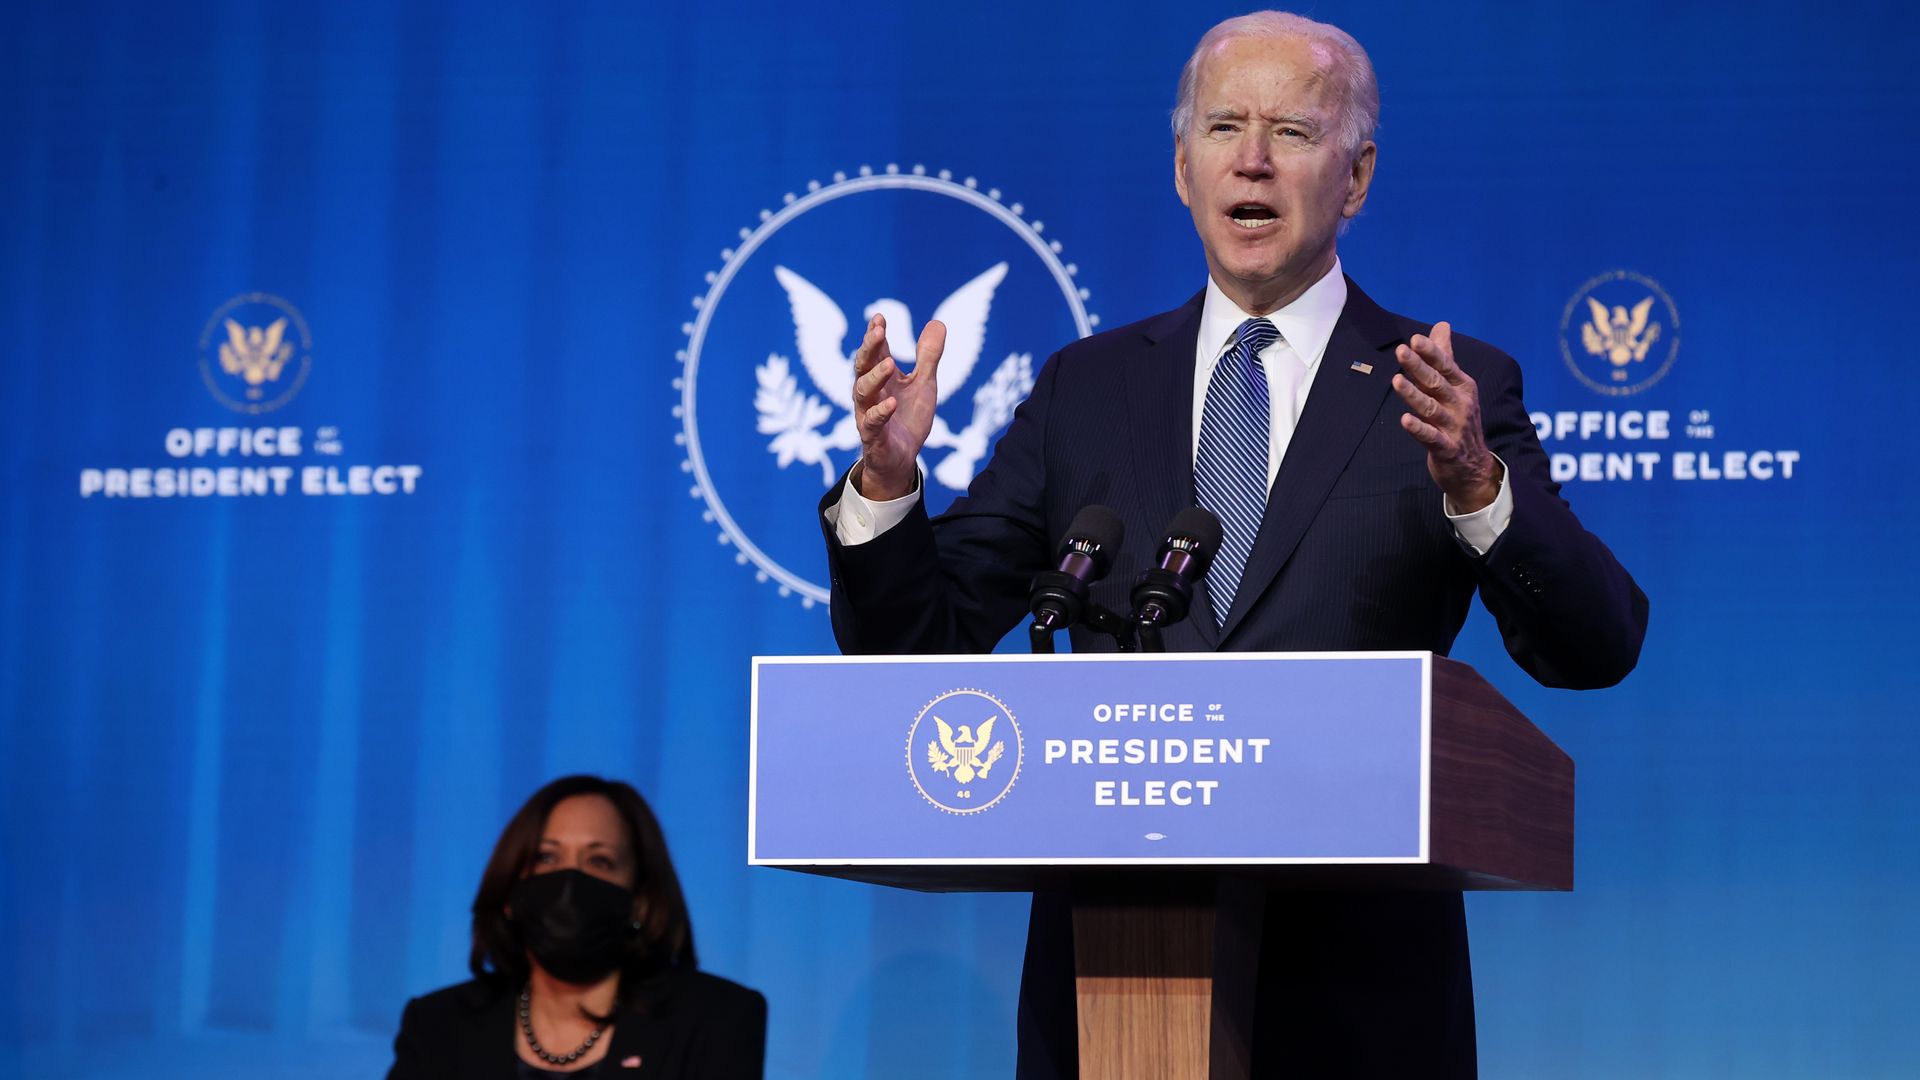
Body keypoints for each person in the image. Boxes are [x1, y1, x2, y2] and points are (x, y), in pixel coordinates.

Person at [817, 10, 1648, 1077]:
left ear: (1356, 177)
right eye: (1223, 127)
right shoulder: (1089, 388)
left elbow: (1598, 644)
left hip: (1358, 996)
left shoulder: (1442, 385)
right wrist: (886, 486)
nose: (1251, 158)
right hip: (1111, 983)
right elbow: (911, 659)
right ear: (1181, 167)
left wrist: (1479, 490)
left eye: (1293, 132)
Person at [387, 775, 766, 1079]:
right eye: (546, 857)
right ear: (508, 893)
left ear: (640, 898)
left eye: (600, 861)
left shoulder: (717, 1019)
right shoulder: (438, 1024)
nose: (570, 882)